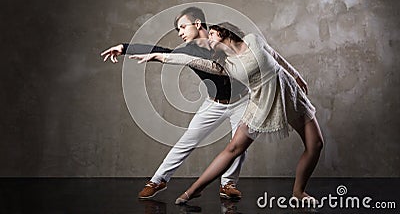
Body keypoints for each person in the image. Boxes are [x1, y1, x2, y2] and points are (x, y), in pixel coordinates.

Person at [131, 22, 324, 205]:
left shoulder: (253, 39)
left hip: (289, 94)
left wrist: (297, 76)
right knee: (234, 149)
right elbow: (189, 60)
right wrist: (158, 56)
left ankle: (299, 192)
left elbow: (276, 56)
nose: (209, 40)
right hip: (261, 105)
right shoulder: (225, 65)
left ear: (224, 32)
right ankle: (194, 189)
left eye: (212, 35)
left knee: (315, 144)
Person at [101, 8, 249, 200]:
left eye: (183, 27)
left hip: (242, 101)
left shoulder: (220, 35)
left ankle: (227, 183)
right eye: (177, 29)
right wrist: (124, 47)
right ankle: (158, 180)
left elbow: (245, 51)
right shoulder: (188, 50)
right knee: (186, 142)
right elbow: (162, 52)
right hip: (214, 103)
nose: (180, 33)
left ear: (197, 24)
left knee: (238, 143)